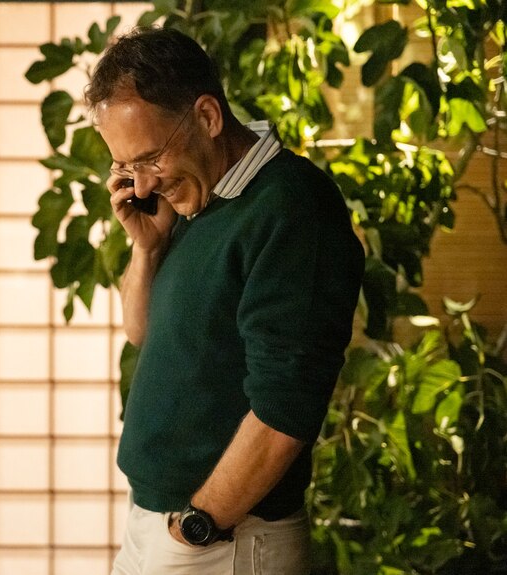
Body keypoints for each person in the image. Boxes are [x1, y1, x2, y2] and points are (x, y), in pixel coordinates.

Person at [85, 27, 365, 574]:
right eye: (126, 168)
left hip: (223, 537)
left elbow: (285, 412)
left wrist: (196, 526)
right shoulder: (200, 199)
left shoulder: (290, 208)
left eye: (149, 160)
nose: (140, 187)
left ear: (208, 117)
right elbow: (143, 332)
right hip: (162, 523)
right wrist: (147, 249)